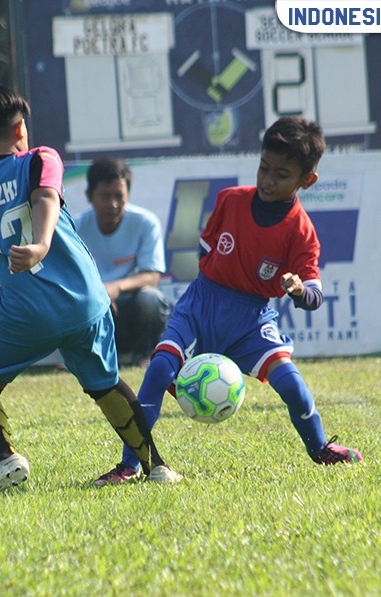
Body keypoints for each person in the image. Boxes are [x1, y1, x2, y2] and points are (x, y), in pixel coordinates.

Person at [97, 116, 362, 487]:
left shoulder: (301, 231)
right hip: (200, 306)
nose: (268, 180)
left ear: (307, 180)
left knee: (293, 387)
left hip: (252, 320)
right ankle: (131, 464)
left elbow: (314, 294)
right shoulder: (230, 201)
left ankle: (319, 448)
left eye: (281, 174)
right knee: (158, 370)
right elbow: (208, 256)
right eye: (264, 168)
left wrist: (300, 291)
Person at [0, 82, 178, 497]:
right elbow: (45, 197)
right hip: (86, 304)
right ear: (21, 128)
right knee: (106, 384)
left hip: (24, 313)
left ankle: (6, 459)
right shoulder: (40, 158)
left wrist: (22, 262)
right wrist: (41, 245)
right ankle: (157, 467)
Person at [74, 158, 172, 366]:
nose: (113, 204)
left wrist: (114, 288)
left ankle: (144, 355)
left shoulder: (146, 222)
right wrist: (99, 296)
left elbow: (152, 276)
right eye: (105, 196)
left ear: (128, 195)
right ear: (89, 196)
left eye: (119, 196)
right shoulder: (75, 228)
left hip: (129, 305)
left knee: (150, 299)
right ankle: (81, 358)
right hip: (93, 308)